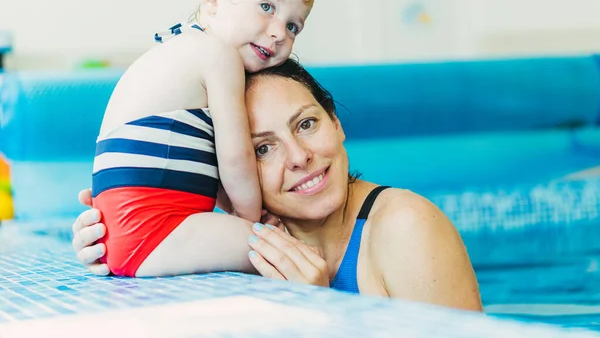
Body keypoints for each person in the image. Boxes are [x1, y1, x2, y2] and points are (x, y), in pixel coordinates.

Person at [73, 59, 483, 311]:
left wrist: (328, 314)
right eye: (263, 149)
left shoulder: (406, 227)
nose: (299, 156)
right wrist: (115, 248)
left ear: (336, 123)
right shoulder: (233, 242)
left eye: (307, 124)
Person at [91, 0, 314, 277]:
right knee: (278, 248)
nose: (279, 33)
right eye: (267, 7)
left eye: (292, 26)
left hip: (118, 233)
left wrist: (238, 213)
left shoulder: (180, 51)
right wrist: (253, 219)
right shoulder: (217, 55)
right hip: (155, 231)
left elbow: (214, 171)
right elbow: (235, 160)